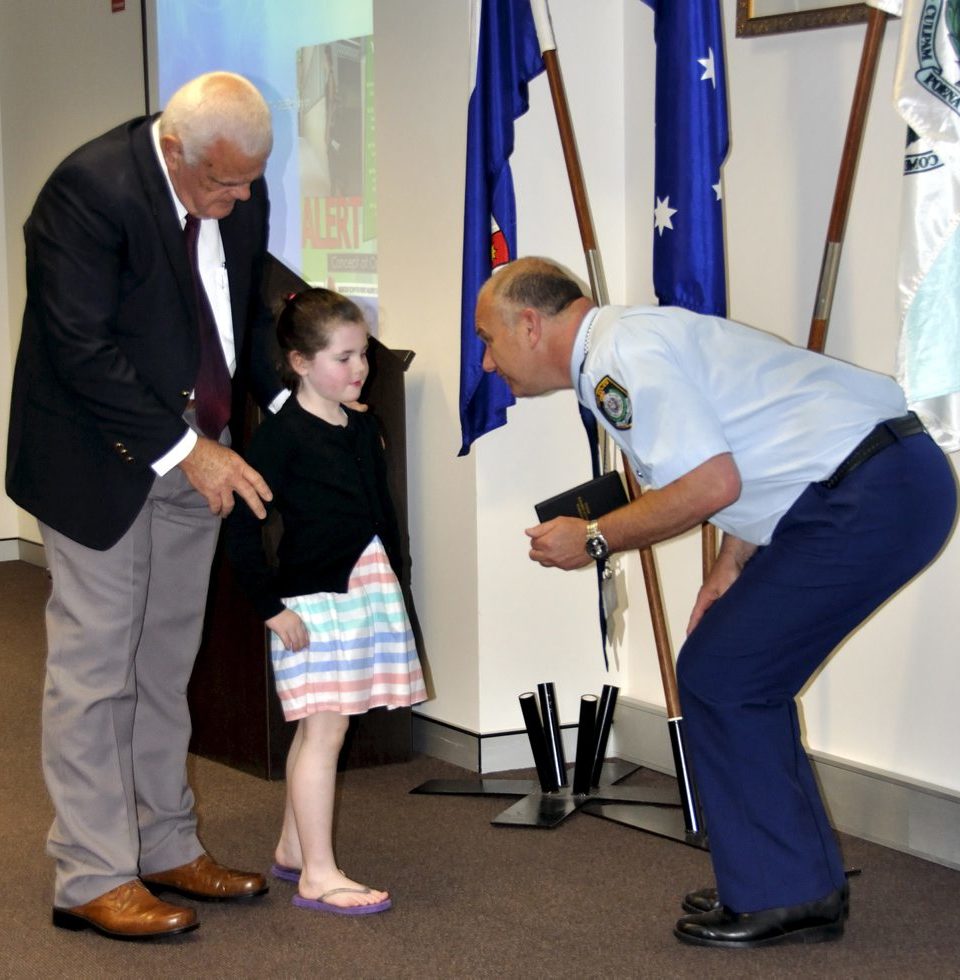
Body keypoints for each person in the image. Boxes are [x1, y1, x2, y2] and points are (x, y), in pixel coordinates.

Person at [474, 256, 957, 949]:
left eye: (488, 338)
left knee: (725, 676)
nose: (488, 362)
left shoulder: (618, 358)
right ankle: (793, 882)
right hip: (871, 485)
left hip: (870, 494)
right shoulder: (625, 342)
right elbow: (750, 453)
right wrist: (728, 566)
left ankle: (784, 891)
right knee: (732, 671)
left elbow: (708, 485)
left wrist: (595, 538)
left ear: (529, 323)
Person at [6, 72, 286, 940]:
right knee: (97, 672)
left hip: (193, 453)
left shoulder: (236, 179)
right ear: (175, 150)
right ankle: (90, 875)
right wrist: (187, 451)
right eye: (224, 184)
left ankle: (165, 845)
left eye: (249, 182)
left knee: (165, 663)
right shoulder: (87, 193)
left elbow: (232, 316)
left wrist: (283, 406)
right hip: (98, 458)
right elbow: (79, 347)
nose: (240, 200)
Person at [225, 288, 427, 916]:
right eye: (343, 358)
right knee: (325, 733)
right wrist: (269, 608)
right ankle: (317, 873)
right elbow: (238, 526)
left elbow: (379, 511)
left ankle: (292, 847)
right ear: (300, 362)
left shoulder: (362, 423)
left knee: (324, 727)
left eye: (363, 354)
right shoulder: (280, 439)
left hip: (366, 591)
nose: (359, 368)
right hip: (313, 602)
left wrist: (399, 577)